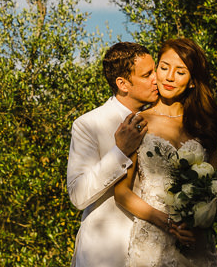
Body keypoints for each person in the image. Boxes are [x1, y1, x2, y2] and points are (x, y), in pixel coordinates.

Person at [114, 38, 217, 267]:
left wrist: (200, 218)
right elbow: (122, 192)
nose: (169, 76)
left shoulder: (206, 124)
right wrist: (167, 223)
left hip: (196, 241)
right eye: (164, 68)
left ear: (193, 81)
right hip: (152, 241)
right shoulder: (138, 122)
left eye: (180, 71)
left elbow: (215, 185)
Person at [67, 42, 159, 267]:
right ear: (123, 84)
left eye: (155, 70)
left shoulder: (164, 120)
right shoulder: (88, 124)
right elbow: (78, 196)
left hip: (157, 249)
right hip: (106, 254)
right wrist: (120, 152)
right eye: (147, 74)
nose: (157, 78)